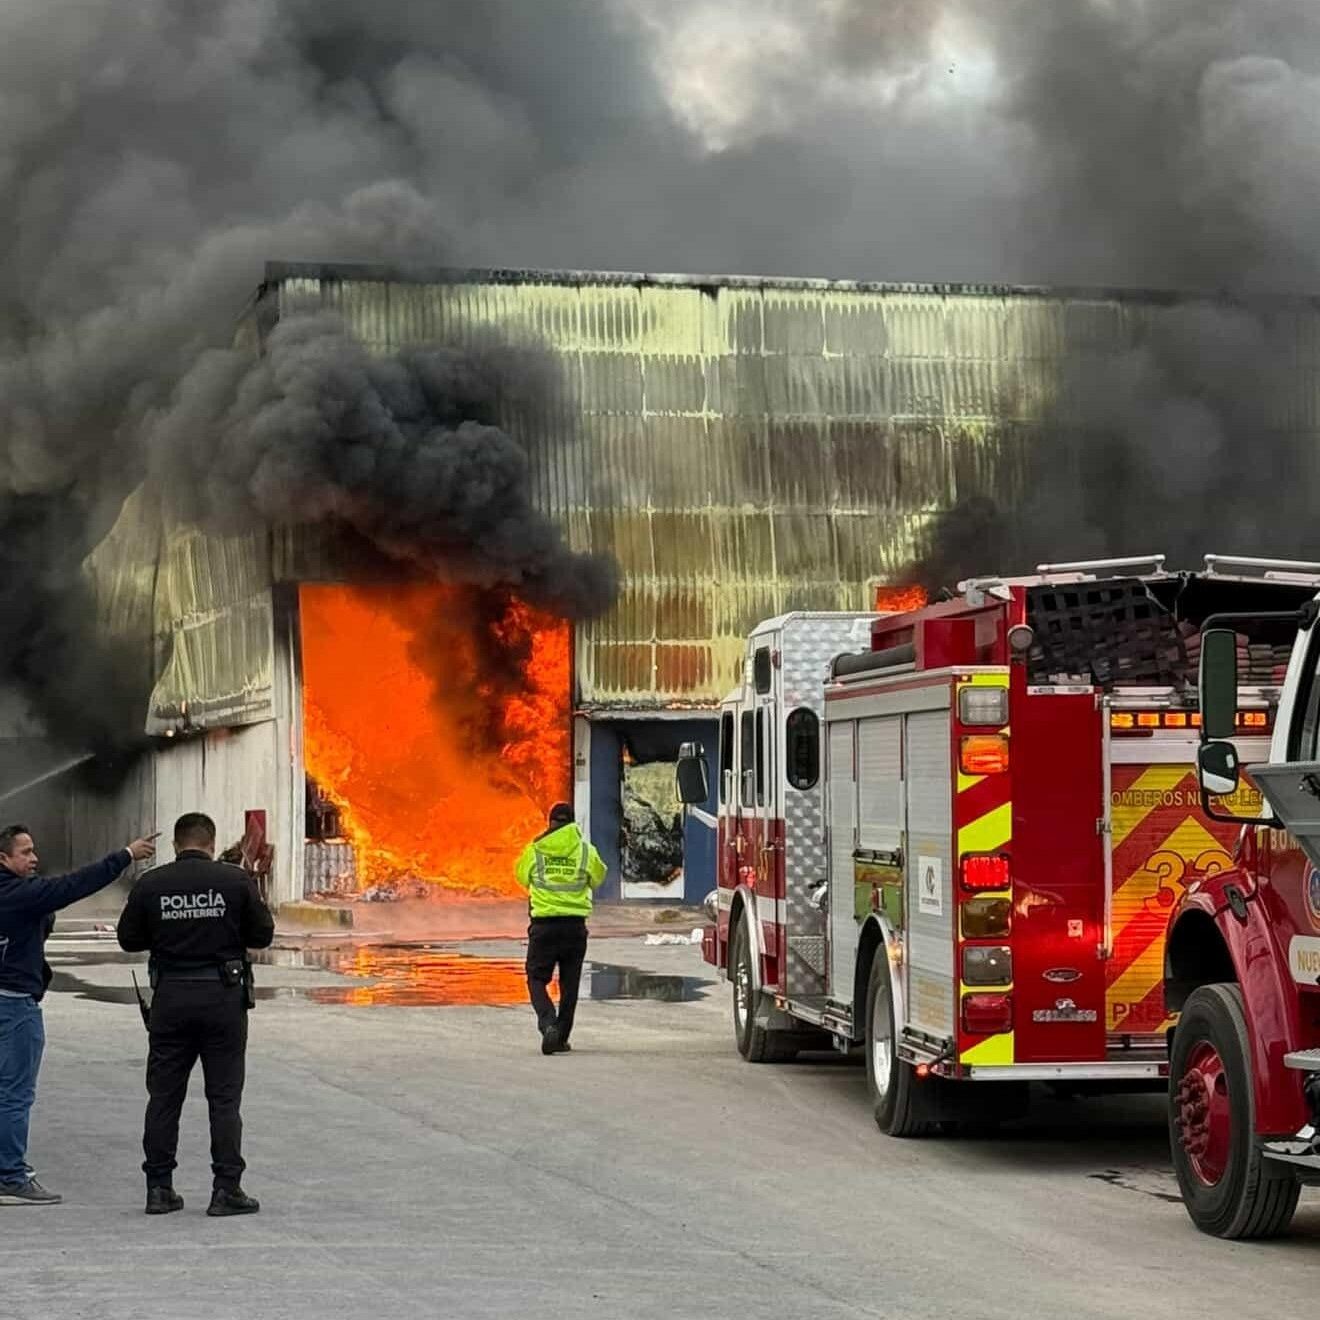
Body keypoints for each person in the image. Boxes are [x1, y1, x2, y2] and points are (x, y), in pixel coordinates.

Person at [116, 812, 274, 1217]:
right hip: (222, 997)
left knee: (164, 1096)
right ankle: (226, 1189)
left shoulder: (151, 883)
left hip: (170, 997)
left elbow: (129, 939)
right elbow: (262, 935)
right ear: (210, 841)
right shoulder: (235, 881)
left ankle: (158, 1188)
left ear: (176, 845)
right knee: (224, 1097)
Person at [0, 825, 157, 1206]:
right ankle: (10, 1177)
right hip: (14, 1004)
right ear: (3, 859)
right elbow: (74, 886)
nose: (34, 858)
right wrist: (125, 855)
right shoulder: (18, 893)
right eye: (25, 852)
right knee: (14, 1094)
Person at [514, 802, 606, 1056]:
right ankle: (561, 1037)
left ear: (550, 822)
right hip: (575, 928)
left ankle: (547, 1023)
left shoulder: (536, 851)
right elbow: (598, 877)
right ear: (573, 823)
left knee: (535, 978)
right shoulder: (586, 852)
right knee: (570, 984)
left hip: (544, 927)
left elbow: (520, 876)